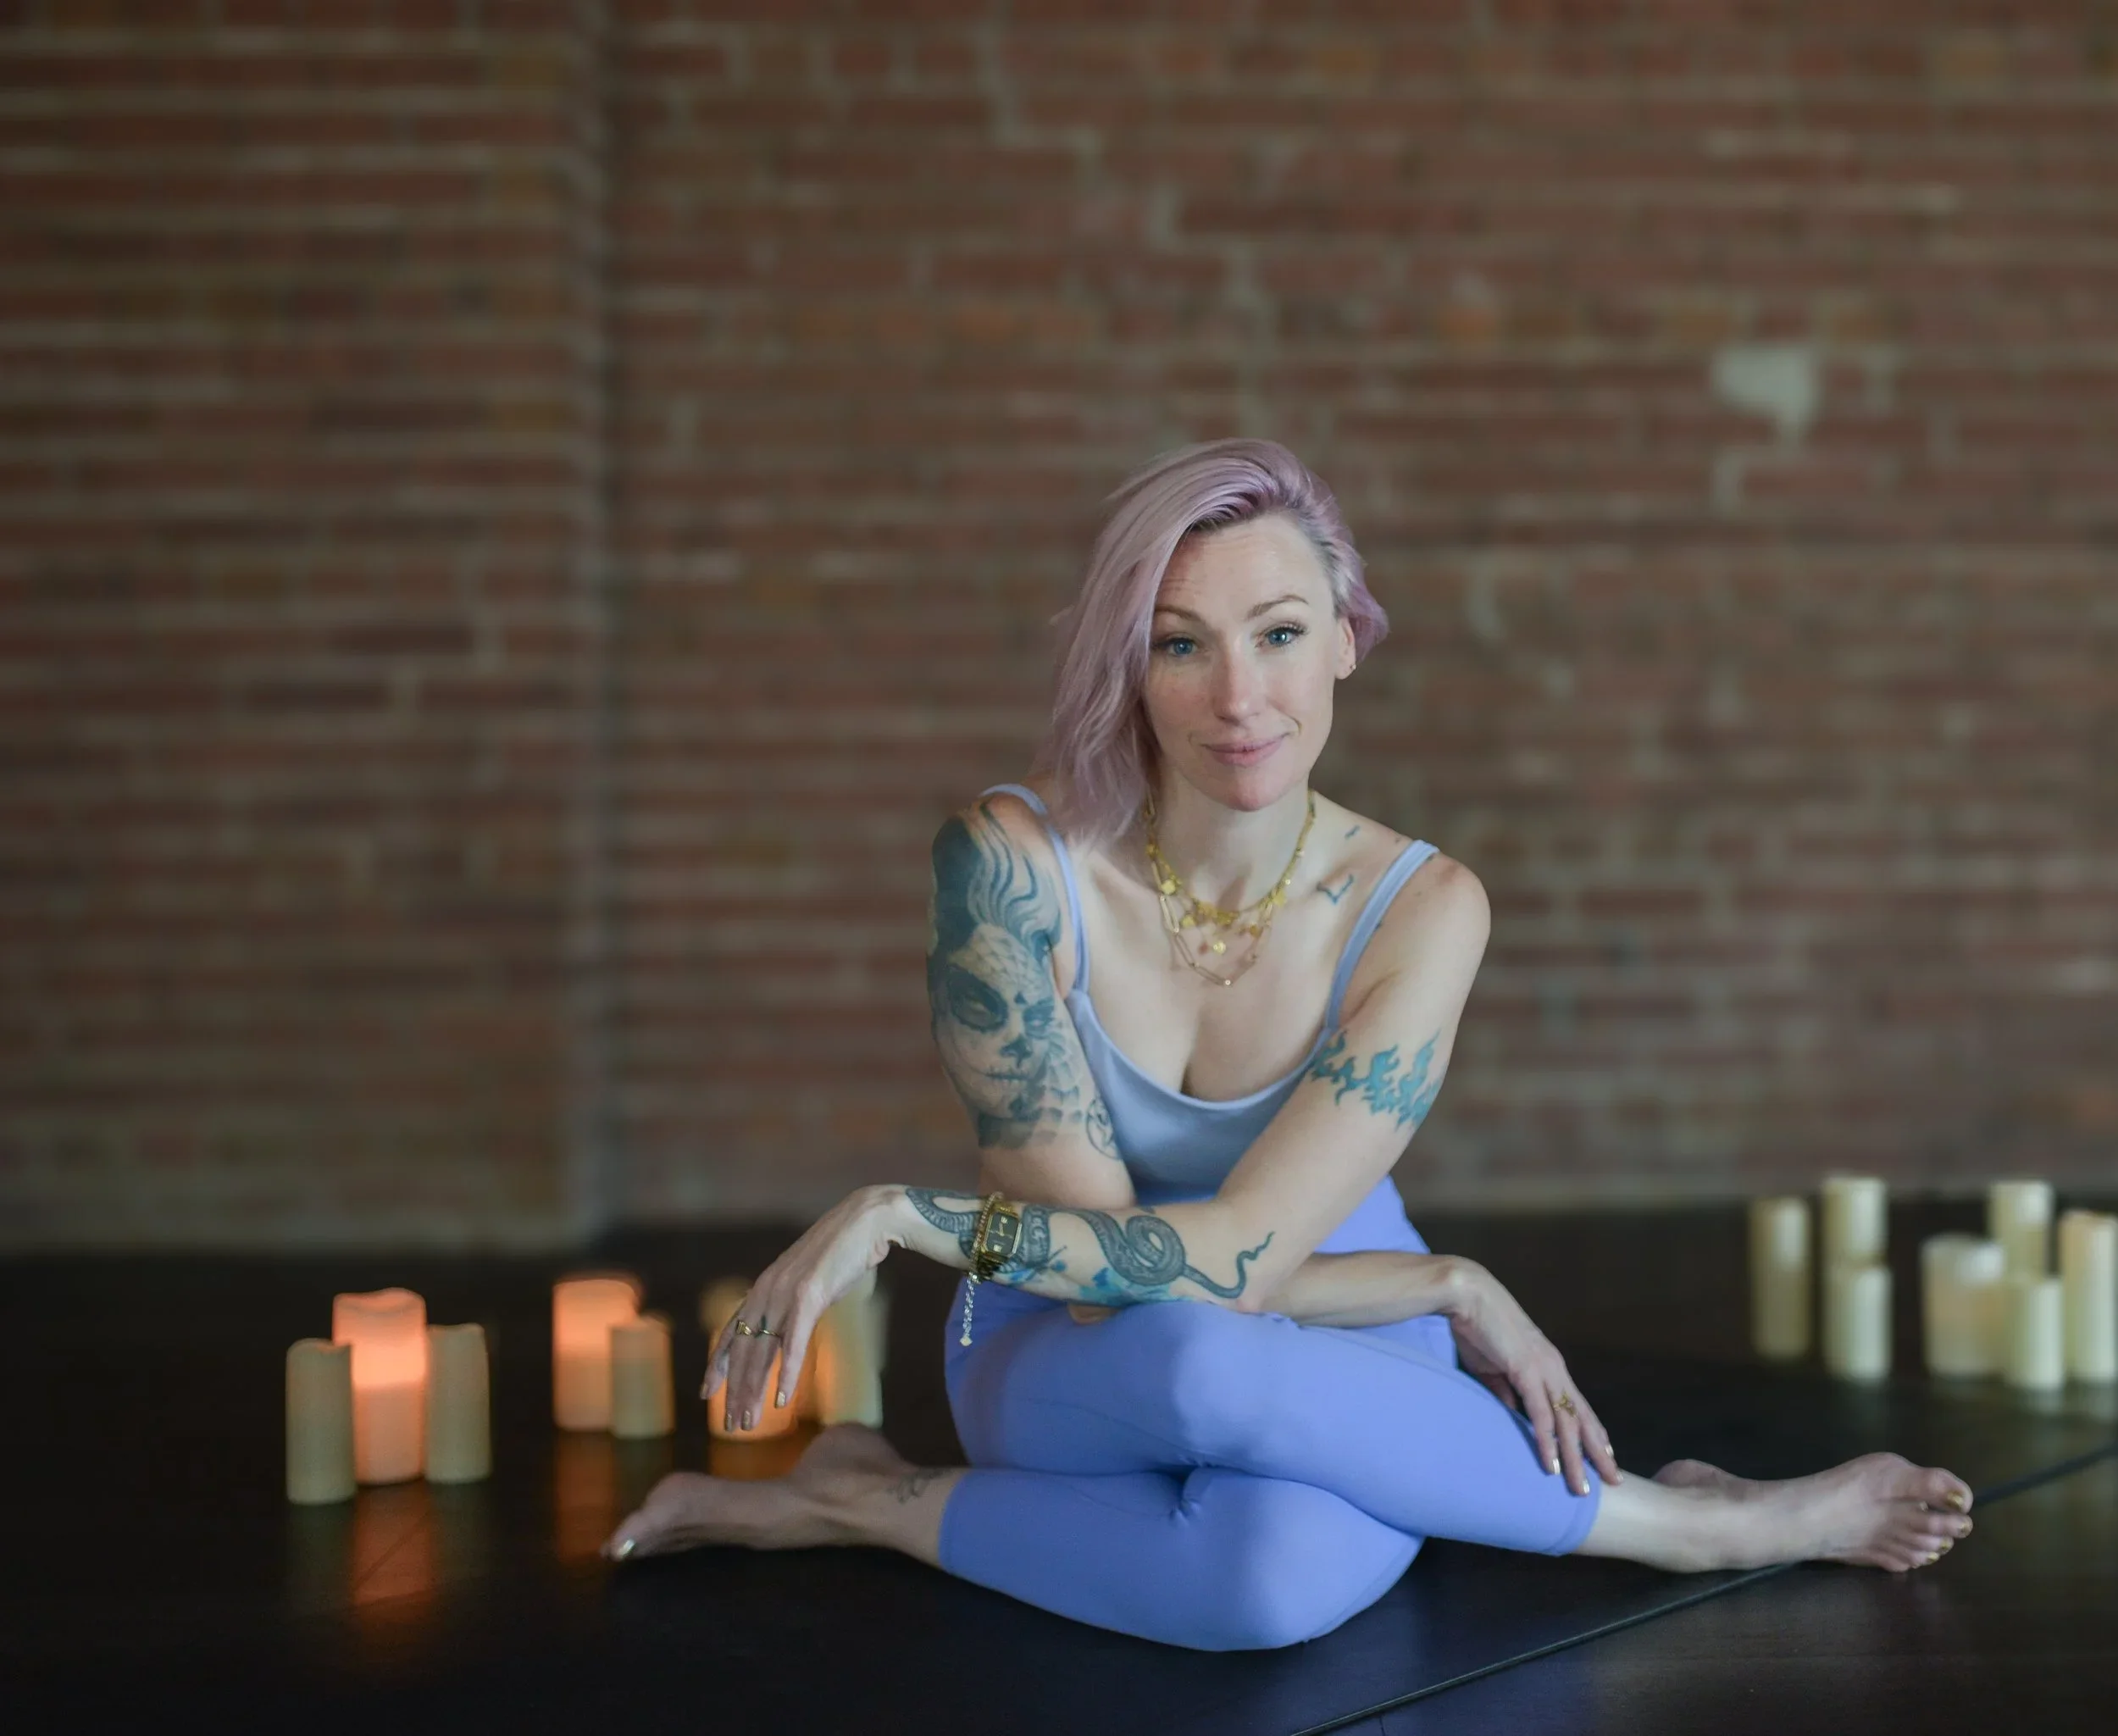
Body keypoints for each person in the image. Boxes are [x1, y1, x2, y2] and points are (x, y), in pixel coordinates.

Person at [603, 439, 1974, 1650]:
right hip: (1061, 1345)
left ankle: (862, 1499)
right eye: (1179, 643)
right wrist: (1445, 1282)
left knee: (1260, 1592)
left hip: (1337, 1308)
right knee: (1197, 1360)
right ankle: (1701, 1530)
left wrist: (909, 1216)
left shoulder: (1424, 909)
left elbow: (1252, 1261)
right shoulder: (1012, 870)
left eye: (1276, 633)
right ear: (1128, 668)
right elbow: (1114, 1293)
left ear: (1345, 639)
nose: (1237, 696)